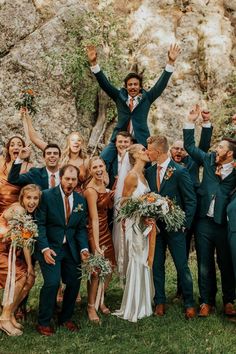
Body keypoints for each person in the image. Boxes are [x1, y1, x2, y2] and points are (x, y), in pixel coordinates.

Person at [87, 44, 181, 166]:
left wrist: (171, 62)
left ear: (140, 86)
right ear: (126, 87)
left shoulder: (147, 98)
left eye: (135, 84)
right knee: (103, 159)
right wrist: (94, 63)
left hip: (140, 139)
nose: (132, 87)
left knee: (146, 165)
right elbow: (104, 84)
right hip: (119, 139)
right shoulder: (119, 97)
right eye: (130, 85)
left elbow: (160, 85)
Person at [183, 105, 236, 317]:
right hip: (203, 221)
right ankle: (206, 301)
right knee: (204, 262)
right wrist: (194, 121)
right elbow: (189, 146)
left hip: (224, 222)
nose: (216, 149)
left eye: (220, 147)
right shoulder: (208, 159)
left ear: (230, 153)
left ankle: (229, 300)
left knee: (226, 262)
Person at [145, 135, 197, 319]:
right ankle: (160, 301)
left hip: (175, 229)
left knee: (182, 266)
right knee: (157, 265)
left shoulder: (179, 172)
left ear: (158, 152)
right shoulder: (149, 172)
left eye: (149, 149)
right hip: (156, 229)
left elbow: (191, 201)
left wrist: (184, 225)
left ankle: (189, 302)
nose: (147, 152)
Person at [35, 165, 89, 336]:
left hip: (70, 249)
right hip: (50, 247)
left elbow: (80, 228)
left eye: (74, 179)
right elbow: (40, 225)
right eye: (67, 179)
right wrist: (44, 248)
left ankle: (65, 317)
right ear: (60, 178)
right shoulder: (47, 196)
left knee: (74, 282)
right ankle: (43, 321)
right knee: (52, 283)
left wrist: (84, 248)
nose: (70, 182)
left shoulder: (80, 201)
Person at [170, 110, 214, 299]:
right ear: (170, 150)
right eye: (176, 149)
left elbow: (203, 147)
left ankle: (206, 294)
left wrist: (205, 124)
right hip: (178, 216)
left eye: (182, 149)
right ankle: (181, 290)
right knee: (182, 254)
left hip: (198, 214)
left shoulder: (194, 163)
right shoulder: (167, 168)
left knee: (204, 255)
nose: (179, 151)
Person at [113, 144, 153, 322]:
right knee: (137, 260)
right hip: (135, 225)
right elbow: (122, 203)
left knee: (144, 260)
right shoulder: (131, 176)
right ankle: (134, 306)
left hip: (144, 224)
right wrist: (141, 208)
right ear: (136, 155)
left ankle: (145, 303)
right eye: (143, 150)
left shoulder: (143, 175)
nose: (146, 152)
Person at [0, 184, 41, 336]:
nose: (32, 201)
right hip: (1, 250)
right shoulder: (19, 210)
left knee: (30, 279)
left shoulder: (29, 214)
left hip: (8, 251)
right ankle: (3, 319)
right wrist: (30, 266)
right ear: (22, 198)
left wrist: (31, 268)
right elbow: (24, 241)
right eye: (28, 197)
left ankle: (9, 312)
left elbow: (24, 239)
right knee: (22, 275)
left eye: (35, 198)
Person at [21, 109, 89, 190]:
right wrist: (27, 117)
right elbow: (35, 139)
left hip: (77, 196)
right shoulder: (58, 155)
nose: (76, 142)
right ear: (68, 143)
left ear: (82, 144)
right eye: (73, 140)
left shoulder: (86, 161)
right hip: (59, 193)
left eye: (79, 140)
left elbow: (90, 181)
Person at [84, 157, 116, 323]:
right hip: (95, 230)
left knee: (110, 267)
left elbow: (108, 206)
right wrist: (96, 245)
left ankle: (100, 299)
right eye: (94, 167)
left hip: (106, 229)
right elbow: (94, 219)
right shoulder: (90, 190)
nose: (98, 169)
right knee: (96, 270)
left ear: (105, 167)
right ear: (90, 170)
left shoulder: (103, 182)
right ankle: (90, 306)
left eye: (101, 166)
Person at [0, 136, 32, 214]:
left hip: (15, 205)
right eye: (12, 145)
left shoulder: (29, 167)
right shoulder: (1, 161)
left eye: (19, 145)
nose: (16, 147)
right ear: (8, 149)